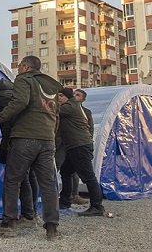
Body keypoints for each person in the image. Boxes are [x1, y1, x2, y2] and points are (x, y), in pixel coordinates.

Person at [0, 56, 63, 240]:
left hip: (25, 137)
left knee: (12, 181)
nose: (18, 70)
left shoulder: (24, 79)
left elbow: (20, 102)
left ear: (26, 67)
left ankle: (9, 223)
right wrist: (50, 135)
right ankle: (52, 229)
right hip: (47, 140)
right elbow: (56, 115)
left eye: (19, 67)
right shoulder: (51, 85)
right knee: (49, 185)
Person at [0, 72, 39, 224]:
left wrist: (4, 147)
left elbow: (7, 124)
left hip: (17, 140)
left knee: (14, 179)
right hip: (29, 139)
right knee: (27, 177)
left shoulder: (1, 96)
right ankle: (30, 213)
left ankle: (12, 220)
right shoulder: (11, 89)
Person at [57, 88, 106, 216]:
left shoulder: (70, 106)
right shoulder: (74, 106)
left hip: (79, 146)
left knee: (88, 176)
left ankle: (97, 206)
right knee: (66, 172)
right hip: (74, 146)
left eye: (61, 96)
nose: (58, 98)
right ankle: (65, 200)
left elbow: (52, 111)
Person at [55, 88, 86, 206]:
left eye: (78, 95)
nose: (76, 96)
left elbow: (89, 126)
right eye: (74, 94)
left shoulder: (76, 109)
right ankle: (66, 197)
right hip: (63, 144)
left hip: (72, 144)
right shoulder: (67, 108)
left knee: (75, 172)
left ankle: (74, 196)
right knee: (63, 170)